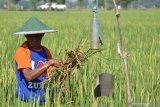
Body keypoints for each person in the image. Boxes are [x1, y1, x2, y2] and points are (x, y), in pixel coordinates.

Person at [14, 16, 62, 105]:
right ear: (25, 35)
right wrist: (49, 63)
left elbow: (50, 76)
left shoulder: (46, 51)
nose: (34, 38)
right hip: (26, 101)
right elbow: (28, 76)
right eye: (30, 35)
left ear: (42, 34)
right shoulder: (22, 51)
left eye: (37, 35)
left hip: (43, 101)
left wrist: (65, 68)